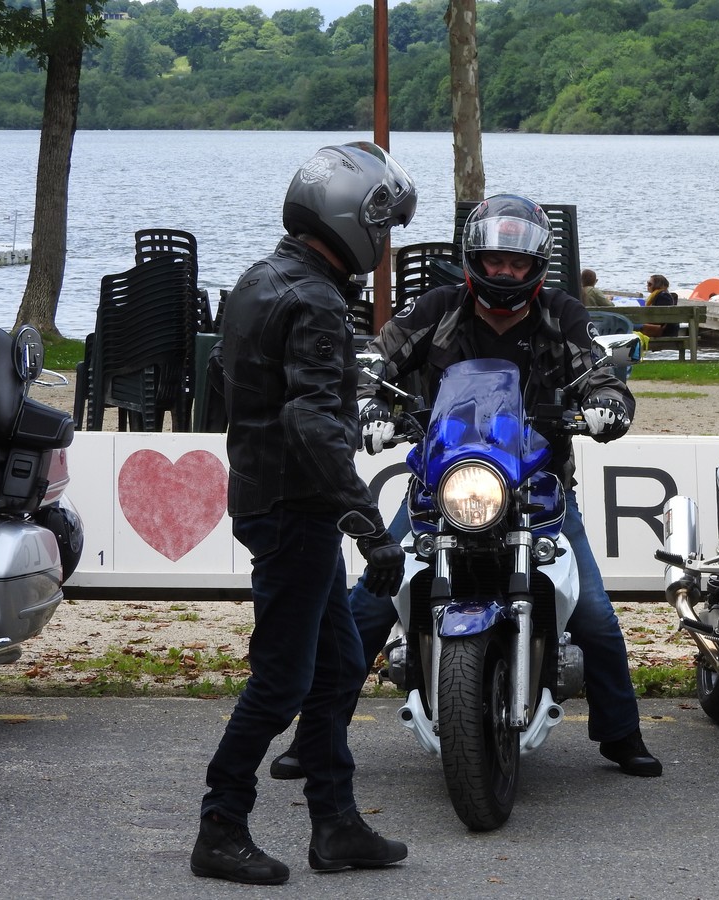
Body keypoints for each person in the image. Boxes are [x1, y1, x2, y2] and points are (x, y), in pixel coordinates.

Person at [268, 193, 662, 782]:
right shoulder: (437, 308)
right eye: (494, 260)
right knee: (369, 604)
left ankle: (621, 733)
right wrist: (374, 403)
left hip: (538, 490)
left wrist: (606, 401)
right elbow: (378, 359)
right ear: (473, 258)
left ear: (536, 265)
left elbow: (597, 372)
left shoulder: (561, 315)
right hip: (443, 488)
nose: (505, 271)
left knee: (598, 616)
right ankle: (316, 732)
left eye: (517, 262)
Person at [190, 142, 418, 885]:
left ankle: (337, 823)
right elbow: (313, 423)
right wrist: (368, 521)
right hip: (295, 509)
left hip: (271, 498)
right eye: (381, 229)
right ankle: (220, 824)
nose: (383, 248)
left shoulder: (261, 278)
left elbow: (240, 396)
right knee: (284, 678)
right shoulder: (315, 299)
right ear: (353, 220)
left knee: (340, 663)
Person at [639, 274, 679, 339]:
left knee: (633, 325)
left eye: (650, 284)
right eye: (647, 284)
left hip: (664, 331)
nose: (647, 286)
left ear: (658, 285)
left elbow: (660, 319)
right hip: (662, 328)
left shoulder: (663, 296)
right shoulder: (659, 295)